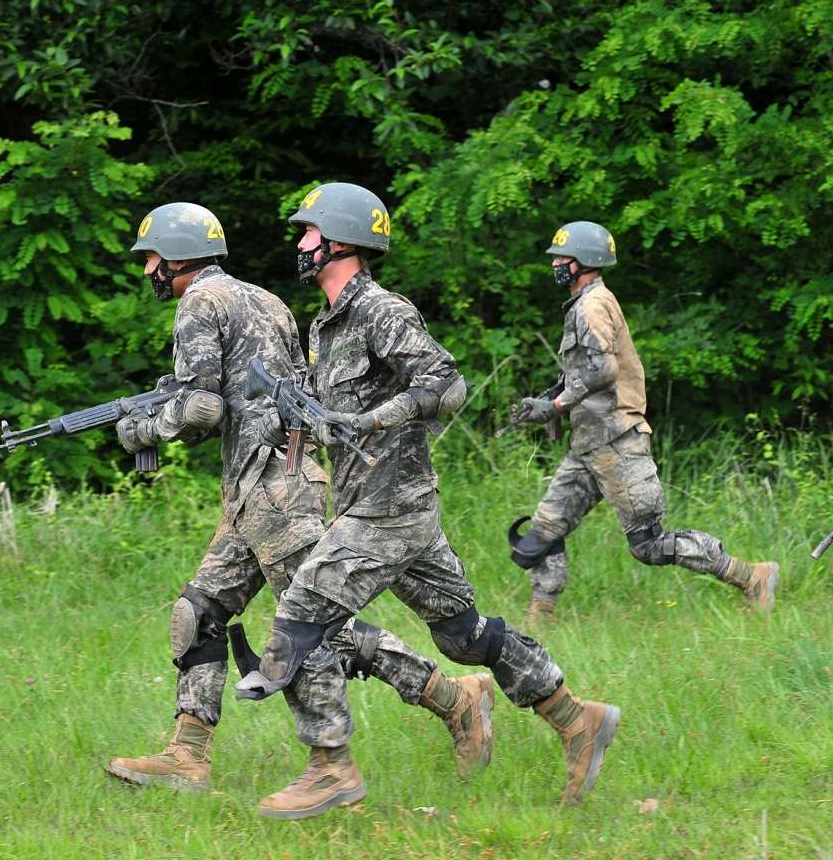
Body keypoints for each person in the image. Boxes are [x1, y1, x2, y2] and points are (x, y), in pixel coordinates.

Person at [237, 184, 619, 819]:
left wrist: (376, 420)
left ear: (339, 240)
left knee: (301, 609)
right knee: (461, 635)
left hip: (388, 508)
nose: (299, 242)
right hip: (389, 505)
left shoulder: (383, 311)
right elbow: (335, 412)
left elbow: (447, 385)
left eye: (308, 232)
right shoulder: (327, 323)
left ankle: (329, 767)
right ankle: (576, 718)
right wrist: (295, 410)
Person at [104, 202, 496, 794]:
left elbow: (203, 408)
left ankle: (450, 701)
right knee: (198, 613)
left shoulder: (198, 304)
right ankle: (188, 755)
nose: (147, 271)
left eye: (152, 258)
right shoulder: (267, 301)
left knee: (317, 630)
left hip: (274, 490)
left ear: (180, 256)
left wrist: (142, 430)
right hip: (265, 485)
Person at [508, 222, 779, 622]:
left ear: (583, 262)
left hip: (617, 442)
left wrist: (558, 407)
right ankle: (541, 617)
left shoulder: (591, 305)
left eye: (561, 257)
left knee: (647, 545)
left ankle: (751, 576)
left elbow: (603, 370)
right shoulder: (586, 302)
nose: (554, 262)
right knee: (544, 530)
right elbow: (586, 371)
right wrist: (550, 398)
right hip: (589, 443)